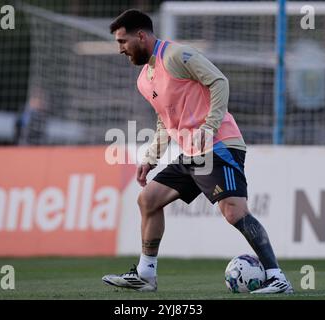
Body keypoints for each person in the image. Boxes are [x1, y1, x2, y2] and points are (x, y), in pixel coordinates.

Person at [102, 9, 293, 294]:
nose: (121, 49)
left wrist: (209, 126)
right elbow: (166, 122)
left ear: (141, 35)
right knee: (148, 200)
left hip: (220, 145)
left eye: (123, 41)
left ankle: (278, 278)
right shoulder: (144, 80)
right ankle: (145, 274)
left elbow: (219, 82)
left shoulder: (177, 55)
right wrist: (150, 158)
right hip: (192, 154)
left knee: (234, 212)